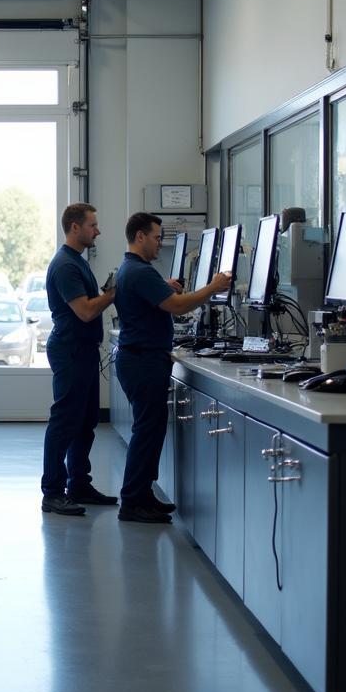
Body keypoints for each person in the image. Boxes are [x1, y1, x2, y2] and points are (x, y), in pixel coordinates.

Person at [114, 212, 231, 523]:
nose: (159, 243)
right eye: (156, 237)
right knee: (146, 431)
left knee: (150, 431)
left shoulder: (135, 269)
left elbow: (160, 300)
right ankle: (132, 501)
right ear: (140, 236)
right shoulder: (139, 272)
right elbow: (177, 306)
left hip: (141, 358)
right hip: (142, 361)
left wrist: (164, 288)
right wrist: (213, 286)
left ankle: (142, 494)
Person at [40, 203, 118, 517]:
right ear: (75, 227)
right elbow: (85, 310)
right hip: (70, 350)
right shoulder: (65, 266)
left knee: (85, 422)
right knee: (65, 422)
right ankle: (53, 492)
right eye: (92, 225)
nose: (97, 230)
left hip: (83, 351)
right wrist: (113, 293)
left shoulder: (77, 261)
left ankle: (79, 484)